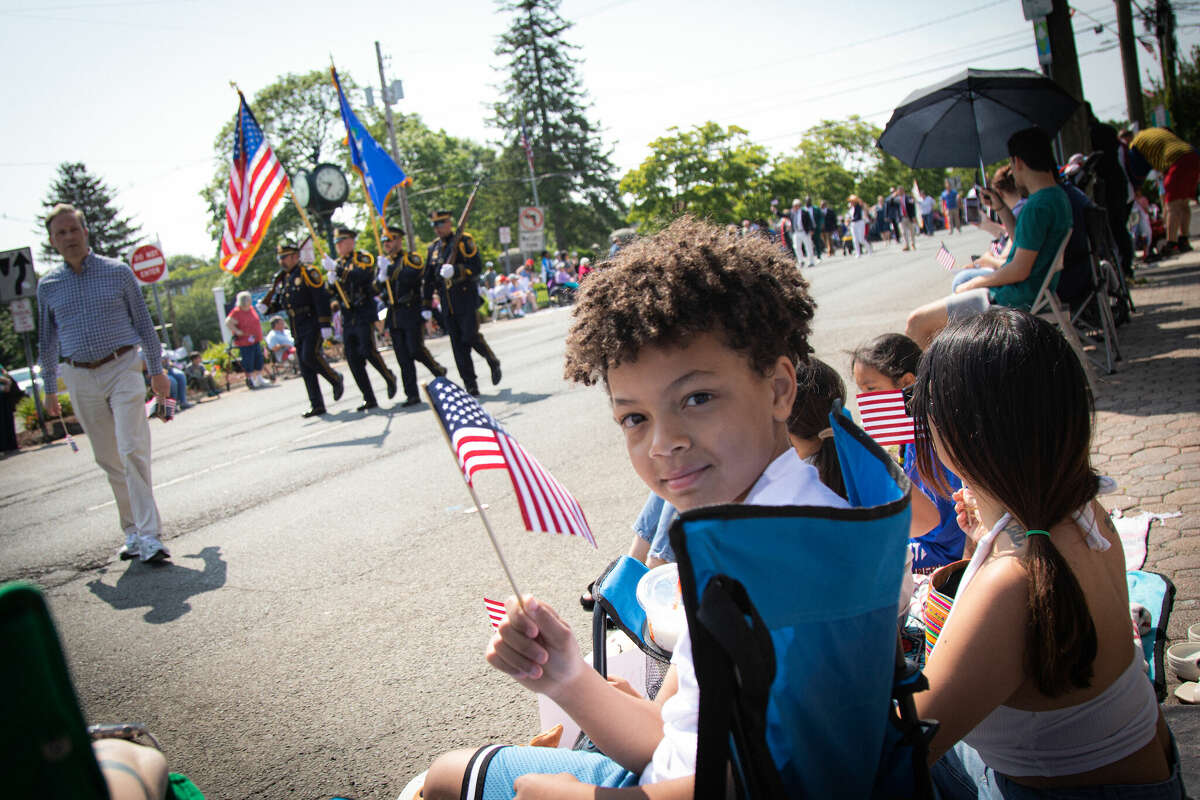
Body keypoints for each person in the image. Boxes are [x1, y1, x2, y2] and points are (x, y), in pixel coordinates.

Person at [421, 217, 846, 800]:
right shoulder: (766, 523)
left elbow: (757, 786)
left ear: (779, 389)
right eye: (634, 418)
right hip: (668, 771)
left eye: (697, 398)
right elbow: (670, 736)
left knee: (446, 778)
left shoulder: (776, 559)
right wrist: (565, 674)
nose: (661, 442)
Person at [912, 309, 1183, 798]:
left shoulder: (1012, 585)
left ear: (961, 431)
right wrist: (982, 533)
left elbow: (896, 749)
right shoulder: (1081, 508)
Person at [36, 203, 171, 563]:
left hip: (123, 366)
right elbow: (47, 340)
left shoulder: (117, 272)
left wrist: (156, 370)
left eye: (73, 230)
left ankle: (150, 536)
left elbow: (144, 323)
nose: (69, 237)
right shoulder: (48, 286)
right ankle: (131, 531)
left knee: (131, 448)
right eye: (60, 233)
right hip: (79, 375)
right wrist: (49, 388)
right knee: (109, 458)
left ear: (85, 232)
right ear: (52, 241)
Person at [905, 127, 1072, 348]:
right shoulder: (1056, 197)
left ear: (1018, 161)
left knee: (917, 322)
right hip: (1036, 293)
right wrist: (1001, 207)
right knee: (936, 325)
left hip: (1014, 299)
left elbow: (1019, 269)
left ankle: (926, 382)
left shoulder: (1037, 206)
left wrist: (976, 282)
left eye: (1012, 166)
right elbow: (1023, 245)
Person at [850, 333, 965, 573]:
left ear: (906, 382)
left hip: (940, 553)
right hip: (926, 540)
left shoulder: (930, 438)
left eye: (871, 389)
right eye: (861, 391)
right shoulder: (913, 429)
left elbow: (938, 529)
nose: (864, 400)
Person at [422, 209, 501, 397]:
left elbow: (476, 267)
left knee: (470, 336)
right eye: (435, 225)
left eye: (441, 224)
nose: (438, 228)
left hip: (465, 299)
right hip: (447, 304)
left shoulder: (464, 241)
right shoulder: (433, 249)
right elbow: (428, 279)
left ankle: (492, 360)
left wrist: (457, 271)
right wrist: (426, 305)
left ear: (449, 223)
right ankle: (471, 385)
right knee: (458, 346)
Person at [261, 241, 345, 418]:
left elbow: (320, 298)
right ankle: (317, 404)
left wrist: (324, 324)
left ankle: (335, 378)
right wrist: (268, 308)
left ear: (295, 256)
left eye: (284, 257)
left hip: (312, 322)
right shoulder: (283, 278)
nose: (281, 261)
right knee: (305, 365)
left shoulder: (308, 273)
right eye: (280, 258)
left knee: (309, 355)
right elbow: (284, 302)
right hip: (296, 325)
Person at [323, 227, 397, 411]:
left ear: (351, 241)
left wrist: (338, 271)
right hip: (348, 315)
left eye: (342, 241)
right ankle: (368, 397)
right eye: (337, 242)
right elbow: (332, 293)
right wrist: (330, 282)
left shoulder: (362, 258)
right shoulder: (338, 264)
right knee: (352, 357)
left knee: (367, 350)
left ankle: (388, 376)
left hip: (363, 311)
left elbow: (362, 277)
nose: (339, 245)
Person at [378, 228, 447, 407]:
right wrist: (380, 276)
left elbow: (412, 276)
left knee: (415, 349)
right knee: (402, 356)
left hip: (410, 311)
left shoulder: (411, 258)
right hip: (394, 314)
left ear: (399, 240)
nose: (387, 244)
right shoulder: (385, 263)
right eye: (384, 241)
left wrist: (390, 269)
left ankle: (437, 369)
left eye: (390, 240)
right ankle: (412, 394)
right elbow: (378, 290)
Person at [1127, 126, 1198, 255]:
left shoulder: (1135, 145)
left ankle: (1171, 243)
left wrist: (1137, 187)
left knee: (1172, 205)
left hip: (1176, 161)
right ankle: (1184, 239)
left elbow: (1138, 172)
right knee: (1183, 202)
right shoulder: (1156, 134)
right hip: (1193, 154)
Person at [225, 291, 268, 389]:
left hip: (255, 339)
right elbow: (228, 322)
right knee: (249, 360)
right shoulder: (237, 311)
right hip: (245, 341)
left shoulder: (251, 309)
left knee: (258, 359)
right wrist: (237, 331)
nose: (250, 300)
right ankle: (252, 380)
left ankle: (259, 378)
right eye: (248, 299)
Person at [0, 362, 24, 452]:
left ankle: (12, 445)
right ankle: (3, 446)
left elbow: (5, 374)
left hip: (5, 394)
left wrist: (8, 383)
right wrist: (6, 381)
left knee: (8, 420)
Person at [790, 197, 817, 267]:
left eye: (796, 205)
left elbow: (809, 221)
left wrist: (811, 229)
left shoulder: (804, 212)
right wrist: (775, 211)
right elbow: (784, 215)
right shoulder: (792, 213)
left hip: (804, 232)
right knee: (797, 247)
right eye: (794, 206)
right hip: (796, 232)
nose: (795, 207)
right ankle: (801, 261)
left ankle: (811, 261)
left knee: (808, 246)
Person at [894, 186, 917, 251]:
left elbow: (912, 207)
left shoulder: (908, 197)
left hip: (909, 216)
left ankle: (913, 243)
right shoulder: (896, 199)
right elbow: (888, 202)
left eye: (901, 190)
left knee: (911, 231)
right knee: (903, 232)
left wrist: (913, 216)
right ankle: (906, 245)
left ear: (903, 191)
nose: (899, 192)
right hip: (901, 218)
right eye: (898, 191)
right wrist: (893, 195)